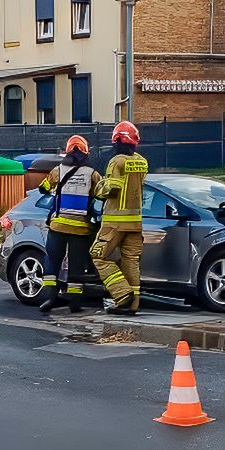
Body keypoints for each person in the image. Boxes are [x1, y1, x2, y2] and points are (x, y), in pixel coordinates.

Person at [37, 135, 102, 315]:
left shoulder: (58, 170)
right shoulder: (92, 173)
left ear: (68, 150)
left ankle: (49, 299)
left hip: (58, 227)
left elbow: (43, 187)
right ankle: (75, 303)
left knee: (52, 263)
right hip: (81, 229)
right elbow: (102, 194)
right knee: (77, 266)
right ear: (86, 152)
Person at [90, 121, 148, 315]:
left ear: (118, 140)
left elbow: (110, 188)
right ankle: (133, 305)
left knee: (98, 255)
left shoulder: (117, 161)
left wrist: (98, 187)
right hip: (136, 222)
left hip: (115, 221)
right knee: (130, 260)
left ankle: (122, 295)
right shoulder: (141, 161)